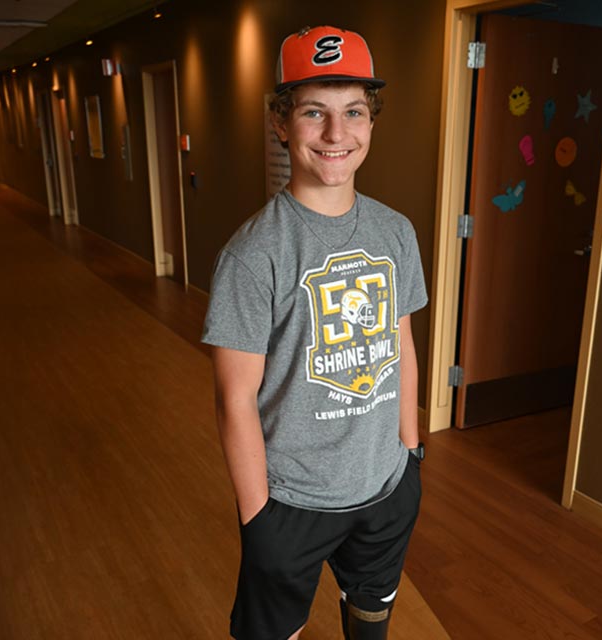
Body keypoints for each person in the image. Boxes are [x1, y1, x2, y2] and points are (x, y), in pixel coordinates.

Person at [201, 25, 428, 640]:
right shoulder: (254, 254)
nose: (336, 134)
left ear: (371, 122)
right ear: (281, 123)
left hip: (385, 487)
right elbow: (234, 398)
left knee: (372, 619)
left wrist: (411, 456)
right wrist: (258, 521)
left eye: (353, 111)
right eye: (314, 112)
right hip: (291, 503)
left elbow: (401, 344)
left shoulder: (396, 233)